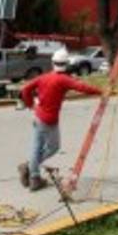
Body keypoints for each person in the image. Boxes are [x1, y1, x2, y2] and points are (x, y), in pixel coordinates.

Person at [18, 48, 102, 191]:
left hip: (38, 117)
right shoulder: (63, 80)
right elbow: (82, 87)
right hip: (49, 121)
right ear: (66, 63)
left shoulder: (44, 77)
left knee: (36, 147)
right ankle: (30, 166)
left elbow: (25, 89)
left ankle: (34, 179)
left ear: (53, 62)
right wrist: (101, 91)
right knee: (53, 148)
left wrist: (30, 104)